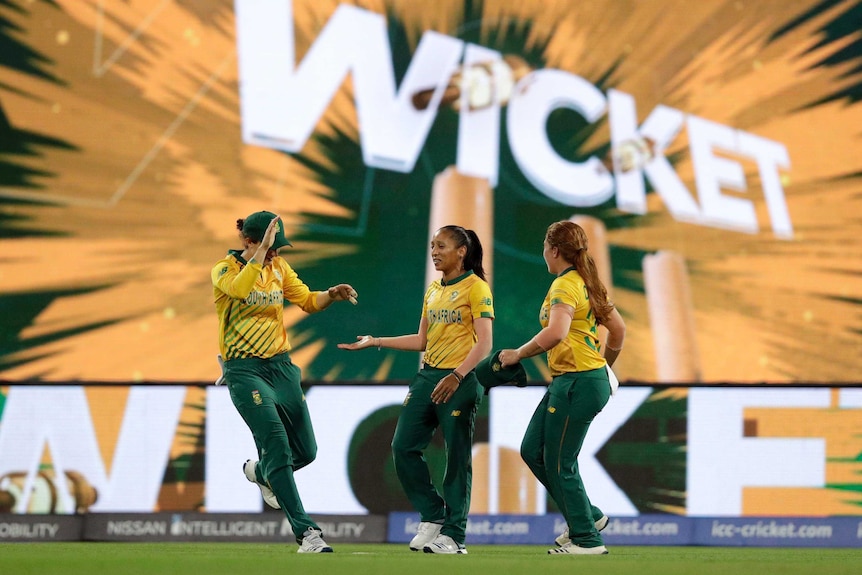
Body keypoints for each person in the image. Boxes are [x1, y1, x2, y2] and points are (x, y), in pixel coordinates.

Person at [338, 225, 493, 555]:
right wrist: (376, 341)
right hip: (427, 378)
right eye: (432, 246)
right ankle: (433, 515)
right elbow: (422, 340)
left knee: (456, 458)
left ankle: (454, 535)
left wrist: (458, 375)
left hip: (461, 380)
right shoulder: (433, 289)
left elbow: (486, 344)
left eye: (442, 246)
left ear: (461, 252)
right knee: (402, 447)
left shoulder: (477, 288)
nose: (434, 251)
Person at [211, 210, 358, 554]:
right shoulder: (224, 270)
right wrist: (260, 253)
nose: (277, 253)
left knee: (306, 451)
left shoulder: (278, 268)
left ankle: (262, 472)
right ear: (249, 241)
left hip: (282, 368)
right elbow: (239, 289)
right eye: (271, 246)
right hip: (244, 371)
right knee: (276, 442)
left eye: (277, 247)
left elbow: (306, 300)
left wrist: (331, 294)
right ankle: (307, 533)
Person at [498, 220, 625, 556]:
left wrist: (518, 354)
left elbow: (556, 333)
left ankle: (586, 540)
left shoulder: (565, 286)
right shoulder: (588, 283)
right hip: (574, 379)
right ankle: (590, 517)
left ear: (553, 250)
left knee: (559, 461)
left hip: (578, 381)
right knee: (532, 450)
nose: (543, 253)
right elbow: (619, 331)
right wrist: (605, 367)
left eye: (544, 246)